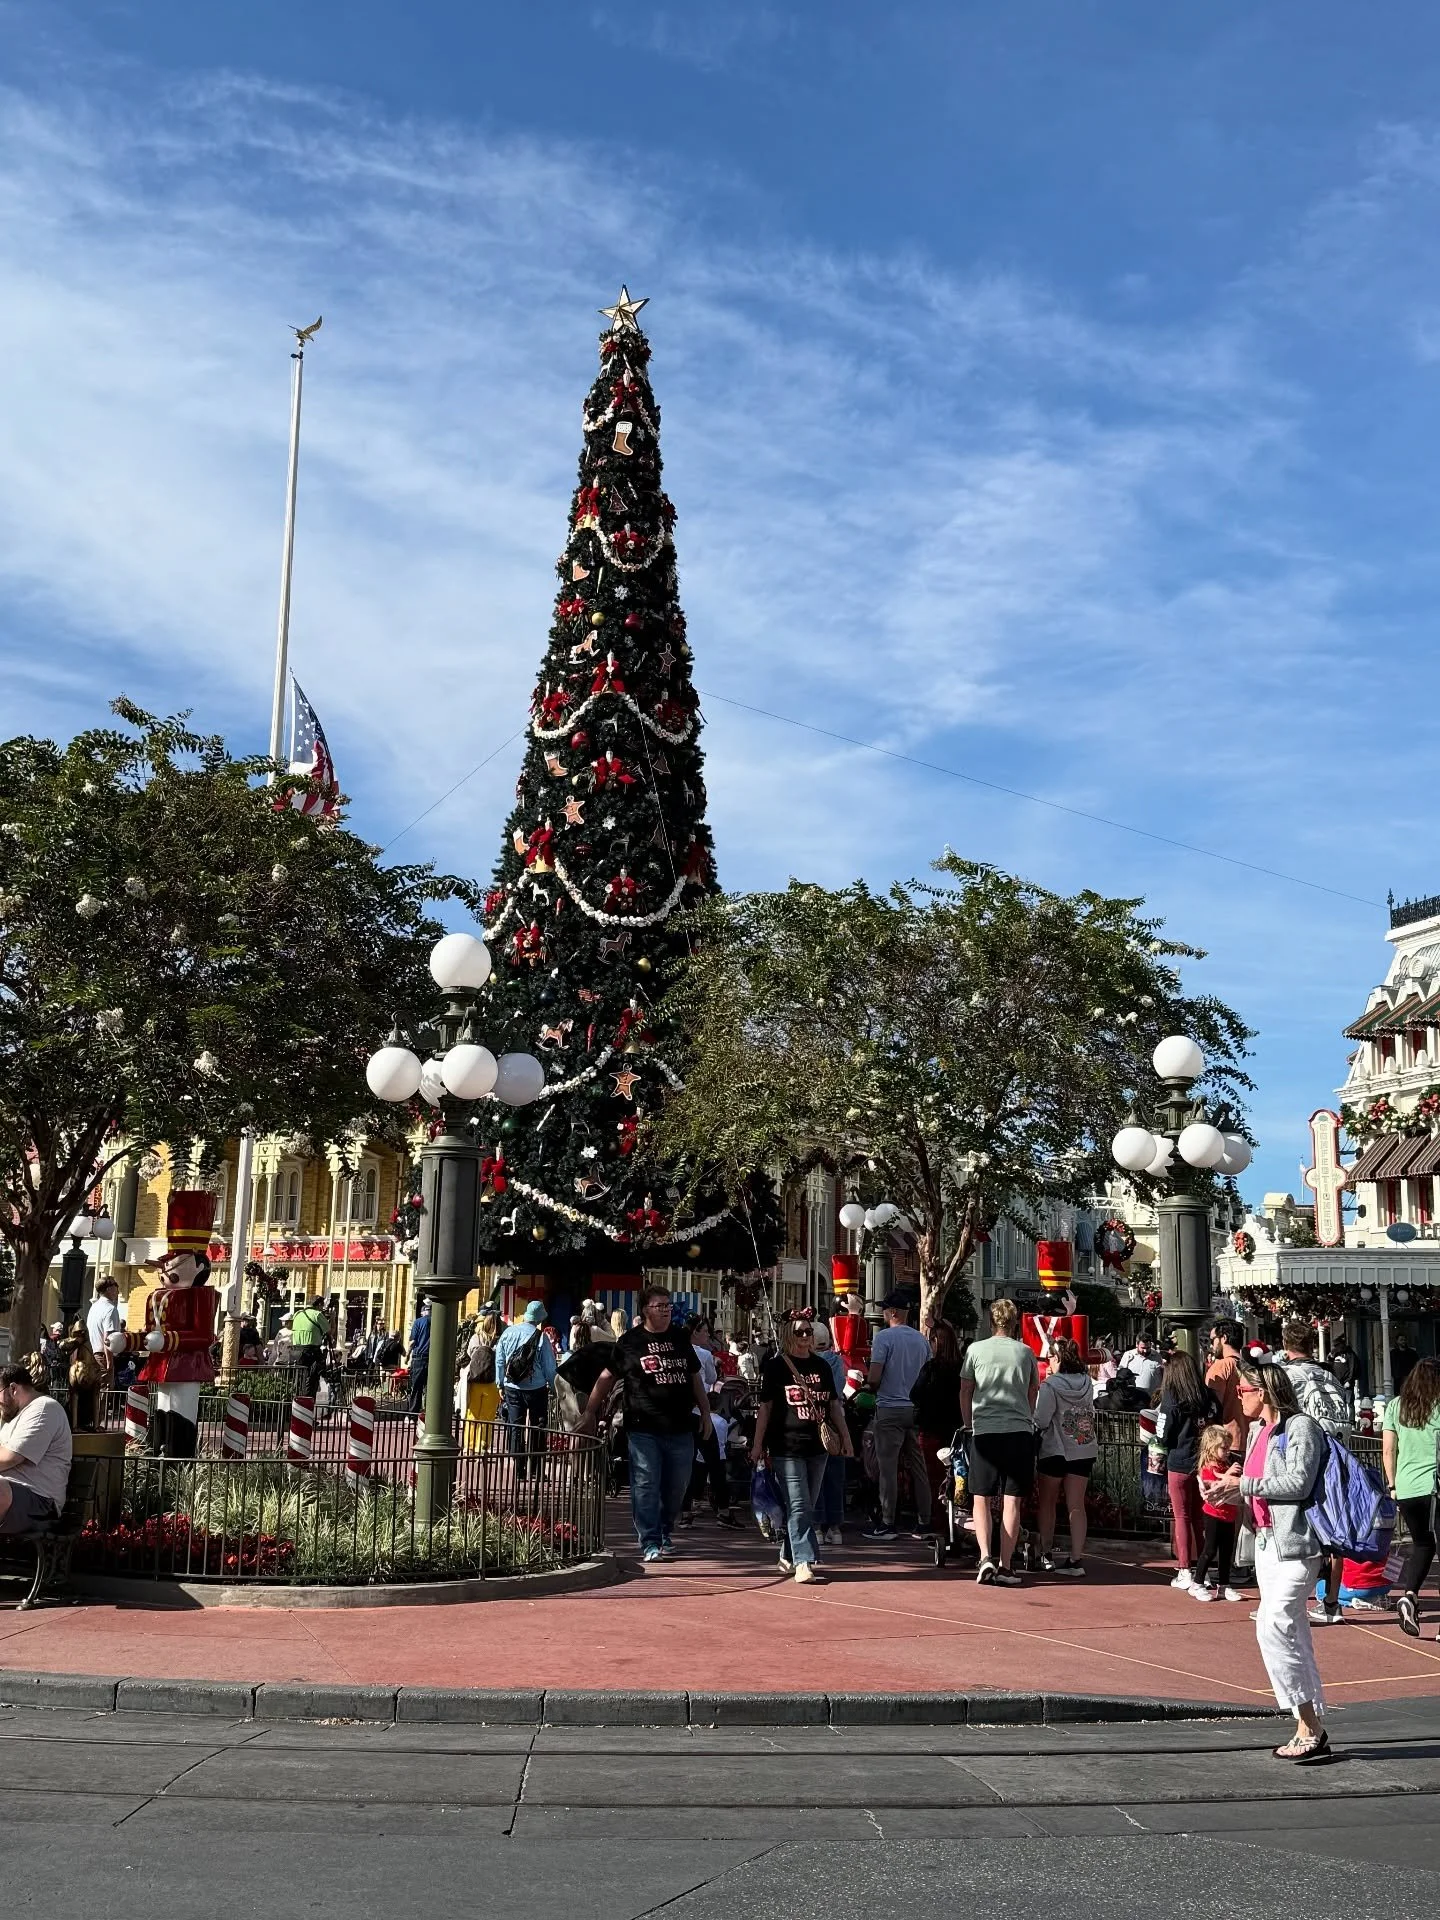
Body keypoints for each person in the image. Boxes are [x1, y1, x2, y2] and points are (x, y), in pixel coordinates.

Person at [1214, 1360, 1331, 1763]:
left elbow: (1298, 1482)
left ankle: (1308, 1723)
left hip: (1297, 1545)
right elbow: (1257, 1487)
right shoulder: (1259, 1431)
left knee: (1274, 1624)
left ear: (1262, 1391)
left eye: (1243, 1390)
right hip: (1266, 1545)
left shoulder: (1300, 1427)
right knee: (1293, 1631)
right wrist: (1230, 1492)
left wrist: (1243, 1483)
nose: (1239, 1396)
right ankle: (1310, 1720)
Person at [578, 1286, 713, 1562]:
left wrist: (706, 1413)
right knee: (646, 1482)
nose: (665, 1310)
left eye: (668, 1305)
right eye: (659, 1305)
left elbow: (695, 1378)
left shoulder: (679, 1339)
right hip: (643, 1426)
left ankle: (664, 1531)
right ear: (645, 1310)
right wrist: (590, 1412)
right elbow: (607, 1377)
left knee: (677, 1486)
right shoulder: (629, 1342)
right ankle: (650, 1540)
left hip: (680, 1426)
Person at [751, 1312, 853, 1584]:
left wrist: (846, 1439)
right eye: (800, 1332)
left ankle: (787, 1554)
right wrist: (758, 1443)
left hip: (818, 1445)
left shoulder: (822, 1366)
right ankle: (804, 1561)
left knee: (806, 1504)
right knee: (799, 1504)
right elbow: (766, 1408)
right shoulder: (776, 1367)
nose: (806, 1337)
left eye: (809, 1332)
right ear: (788, 1336)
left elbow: (833, 1405)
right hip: (786, 1446)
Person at [1277, 1318, 1351, 1628]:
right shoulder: (1329, 1377)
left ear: (1286, 1346)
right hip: (1338, 1456)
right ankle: (1331, 1601)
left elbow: (1278, 1419)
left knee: (1295, 1526)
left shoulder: (1288, 1376)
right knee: (1333, 1533)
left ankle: (1290, 1601)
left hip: (1304, 1455)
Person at [960, 1297, 1039, 1586]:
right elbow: (1033, 1390)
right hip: (1018, 1431)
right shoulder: (1025, 1352)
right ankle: (1006, 1565)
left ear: (991, 1321)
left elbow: (966, 1389)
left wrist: (969, 1424)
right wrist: (1026, 1417)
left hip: (986, 1431)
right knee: (1012, 1501)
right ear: (1015, 1322)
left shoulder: (975, 1350)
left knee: (980, 1497)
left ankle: (984, 1558)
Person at [863, 1292, 934, 1542]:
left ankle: (887, 1522)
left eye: (885, 1310)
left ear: (893, 1312)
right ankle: (924, 1521)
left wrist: (869, 1385)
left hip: (890, 1407)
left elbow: (874, 1378)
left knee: (888, 1468)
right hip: (914, 1409)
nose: (882, 1313)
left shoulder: (884, 1338)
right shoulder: (921, 1340)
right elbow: (928, 1374)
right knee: (918, 1467)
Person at [1383, 1356, 1440, 1639]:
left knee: (1422, 1544)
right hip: (1434, 1487)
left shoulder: (1396, 1406)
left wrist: (1392, 1485)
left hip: (1406, 1489)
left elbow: (1388, 1450)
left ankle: (1409, 1594)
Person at [1033, 1335, 1097, 1577]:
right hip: (1082, 1446)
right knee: (1076, 1505)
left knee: (1048, 1503)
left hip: (1055, 1448)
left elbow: (1041, 1419)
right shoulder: (1087, 1383)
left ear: (1058, 1358)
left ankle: (1046, 1553)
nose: (1048, 1360)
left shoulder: (1050, 1386)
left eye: (1050, 1356)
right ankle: (1076, 1557)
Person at [1156, 1347, 1219, 1590]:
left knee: (1181, 1515)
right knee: (1199, 1517)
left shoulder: (1171, 1397)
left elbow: (1163, 1431)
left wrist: (1160, 1441)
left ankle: (1184, 1569)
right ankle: (1204, 1570)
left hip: (1179, 1461)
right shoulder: (1205, 1395)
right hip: (1203, 1461)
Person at [678, 1320, 740, 1529]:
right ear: (694, 1332)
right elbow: (712, 1379)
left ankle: (685, 1511)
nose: (708, 1335)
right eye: (704, 1331)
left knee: (686, 1463)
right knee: (715, 1462)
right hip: (699, 1413)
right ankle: (723, 1511)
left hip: (683, 1414)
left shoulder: (677, 1352)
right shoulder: (703, 1355)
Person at [0, 1363, 73, 1536]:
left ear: (13, 1389)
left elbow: (10, 1457)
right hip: (14, 1498)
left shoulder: (43, 1408)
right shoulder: (12, 1417)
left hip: (39, 1502)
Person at [495, 1301, 558, 1484]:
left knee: (516, 1427)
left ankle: (519, 1469)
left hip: (512, 1387)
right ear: (539, 1318)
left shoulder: (508, 1332)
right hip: (536, 1388)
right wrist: (554, 1388)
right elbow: (549, 1368)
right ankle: (537, 1470)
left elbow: (499, 1360)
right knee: (538, 1427)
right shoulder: (541, 1338)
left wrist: (500, 1383)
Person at [910, 1322, 964, 1519]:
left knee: (932, 1477)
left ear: (935, 1342)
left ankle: (936, 1518)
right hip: (957, 1429)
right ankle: (957, 1517)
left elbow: (914, 1394)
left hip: (931, 1427)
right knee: (959, 1475)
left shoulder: (931, 1368)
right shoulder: (963, 1367)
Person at [1190, 1422, 1243, 1602]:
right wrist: (1228, 1474)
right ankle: (1197, 1583)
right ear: (1212, 1447)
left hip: (1229, 1514)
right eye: (1223, 1448)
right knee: (1210, 1549)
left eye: (1228, 1447)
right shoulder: (1208, 1467)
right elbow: (1212, 1485)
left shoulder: (1224, 1464)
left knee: (1227, 1551)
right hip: (1213, 1514)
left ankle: (1224, 1585)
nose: (1227, 1451)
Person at [811, 1318, 850, 1545]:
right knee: (835, 1475)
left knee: (815, 1475)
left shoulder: (808, 1362)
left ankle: (816, 1524)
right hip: (835, 1421)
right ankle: (834, 1527)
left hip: (813, 1421)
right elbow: (837, 1392)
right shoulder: (835, 1361)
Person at [81, 1276, 123, 1426]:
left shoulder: (95, 1307)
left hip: (90, 1353)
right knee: (104, 1390)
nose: (117, 1290)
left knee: (92, 1390)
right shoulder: (110, 1309)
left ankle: (87, 1421)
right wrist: (110, 1362)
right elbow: (109, 1338)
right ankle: (98, 1423)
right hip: (103, 1354)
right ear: (109, 1289)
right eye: (116, 1287)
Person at [1205, 1319, 1248, 1462]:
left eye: (1213, 1340)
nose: (1211, 1345)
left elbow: (1212, 1408)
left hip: (1224, 1444)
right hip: (1252, 1441)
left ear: (1224, 1338)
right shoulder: (1251, 1366)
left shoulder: (1221, 1367)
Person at [291, 1296, 330, 1400]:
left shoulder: (297, 1314)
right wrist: (333, 1318)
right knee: (312, 1378)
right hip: (311, 1350)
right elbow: (329, 1331)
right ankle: (308, 1401)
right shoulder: (317, 1314)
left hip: (296, 1350)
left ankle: (296, 1398)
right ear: (319, 1305)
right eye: (322, 1306)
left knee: (298, 1377)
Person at [405, 1298, 431, 1417]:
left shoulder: (418, 1322)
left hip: (419, 1358)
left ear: (422, 1311)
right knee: (430, 1388)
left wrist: (407, 1355)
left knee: (416, 1387)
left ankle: (413, 1415)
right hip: (432, 1359)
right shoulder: (438, 1321)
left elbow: (412, 1342)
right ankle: (429, 1414)